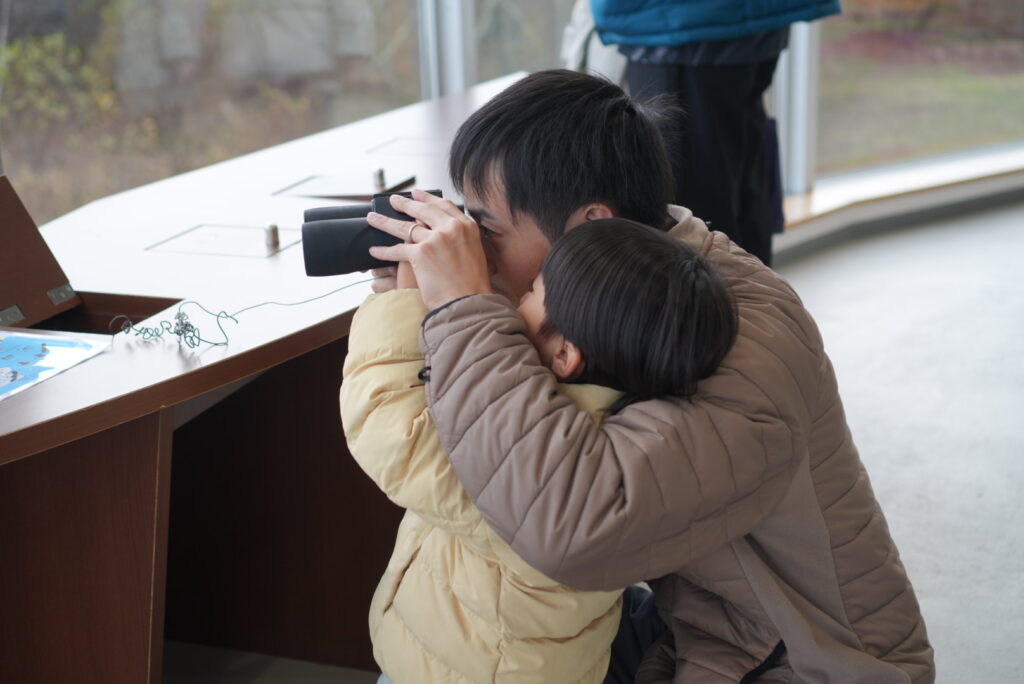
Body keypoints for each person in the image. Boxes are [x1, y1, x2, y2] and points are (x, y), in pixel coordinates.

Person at [363, 69, 935, 683]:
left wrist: (464, 310)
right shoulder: (629, 281)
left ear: (588, 225)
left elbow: (574, 527)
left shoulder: (739, 343)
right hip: (704, 619)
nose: (474, 244)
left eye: (489, 229)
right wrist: (441, 299)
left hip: (800, 658)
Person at [341, 218, 739, 684]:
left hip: (463, 672)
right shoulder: (629, 433)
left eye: (530, 292)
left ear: (566, 355)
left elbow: (393, 428)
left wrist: (403, 304)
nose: (514, 301)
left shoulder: (534, 465)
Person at [588, 0, 842, 267]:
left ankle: (713, 306)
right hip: (729, 21)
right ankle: (745, 303)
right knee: (738, 191)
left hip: (686, 26)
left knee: (688, 223)